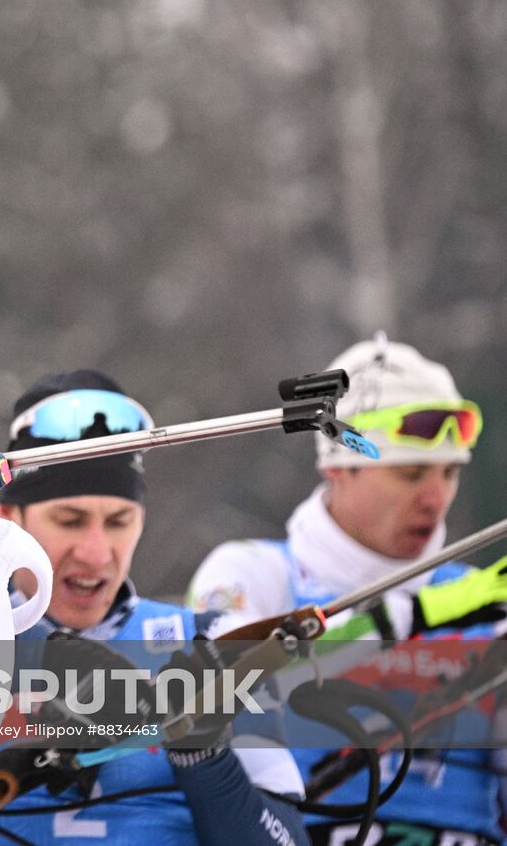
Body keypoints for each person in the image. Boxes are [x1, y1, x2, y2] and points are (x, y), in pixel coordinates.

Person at [0, 369, 309, 845]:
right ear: (9, 519)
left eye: (118, 521)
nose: (96, 553)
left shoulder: (213, 639)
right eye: (70, 521)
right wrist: (48, 659)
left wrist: (203, 754)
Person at [188, 335, 504, 845]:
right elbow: (215, 699)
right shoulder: (253, 573)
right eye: (410, 472)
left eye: (450, 473)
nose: (435, 497)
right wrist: (407, 618)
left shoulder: (483, 598)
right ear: (339, 467)